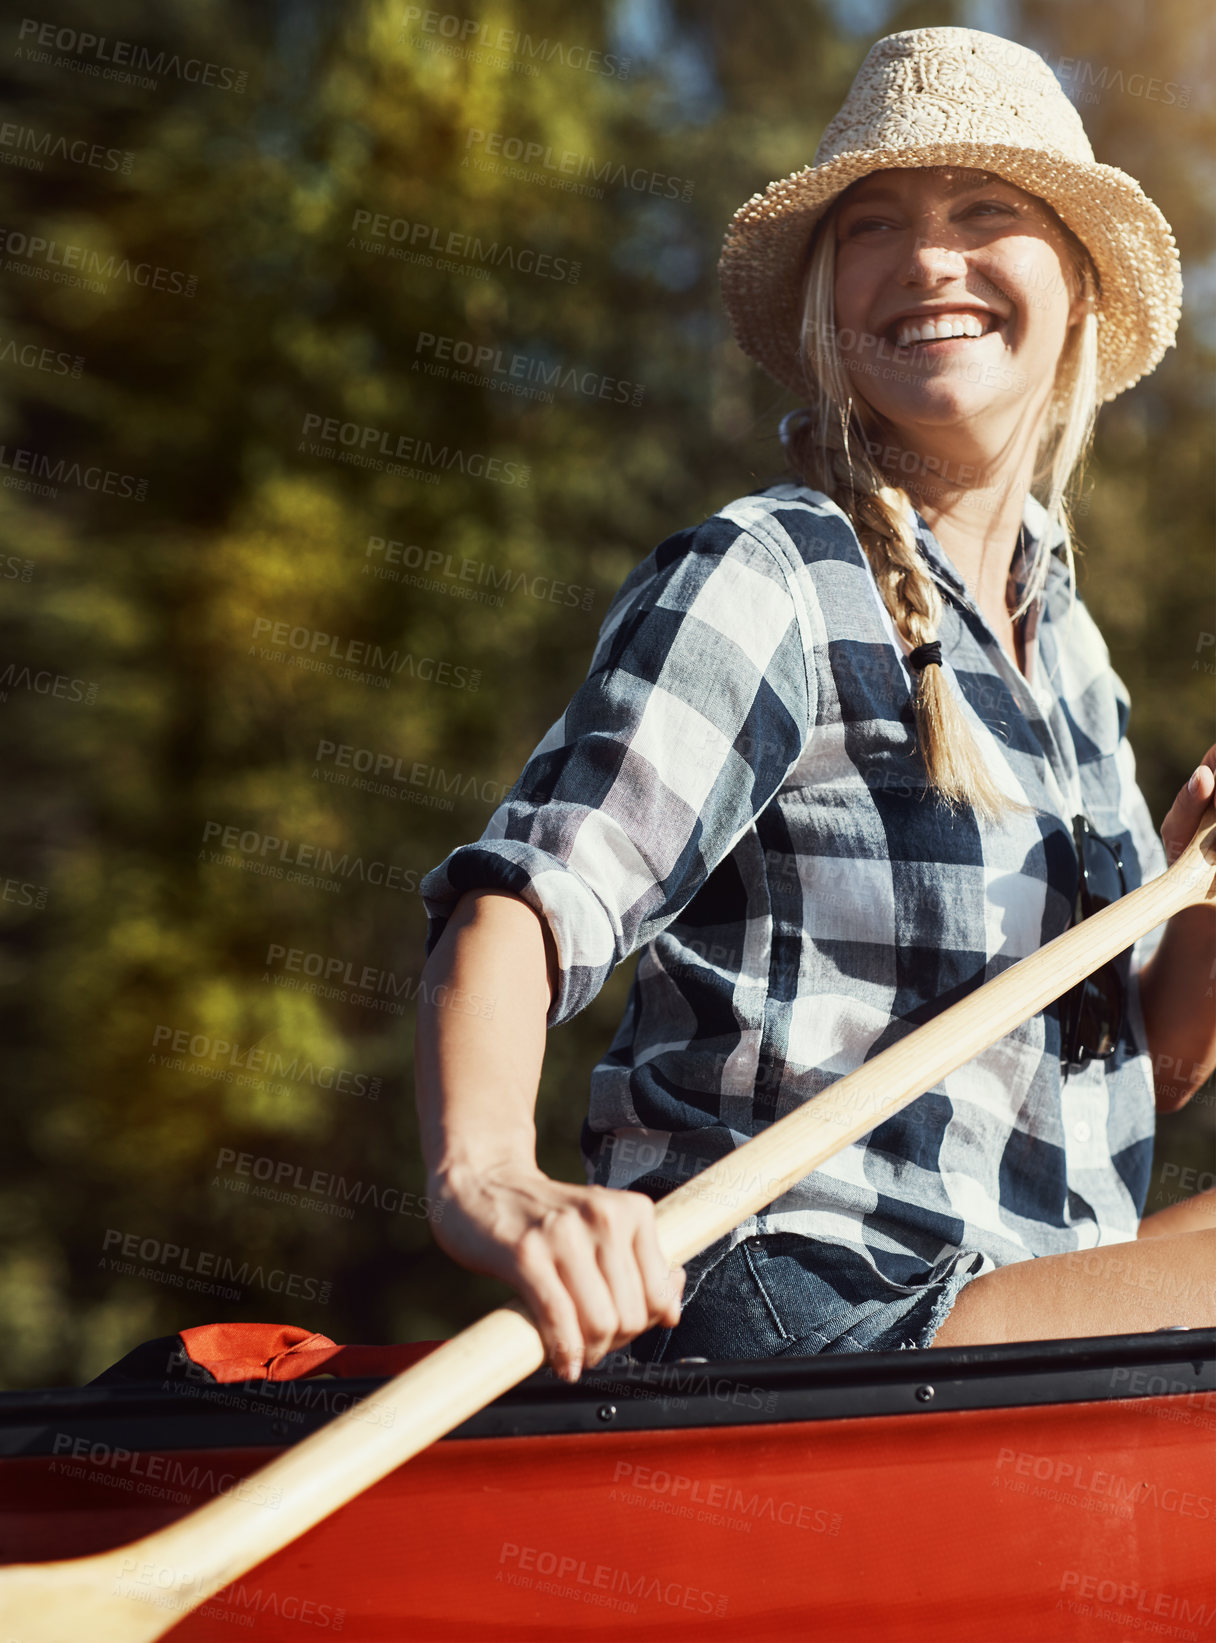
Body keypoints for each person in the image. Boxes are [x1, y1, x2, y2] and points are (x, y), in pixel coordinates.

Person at [414, 26, 1216, 1383]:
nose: (927, 258)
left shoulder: (1073, 658)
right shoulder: (772, 573)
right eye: (876, 226)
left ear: (1076, 290)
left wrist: (1199, 919)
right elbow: (526, 896)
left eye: (986, 212)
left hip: (1008, 1312)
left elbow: (1126, 1071)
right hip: (799, 1316)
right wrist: (485, 1170)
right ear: (828, 305)